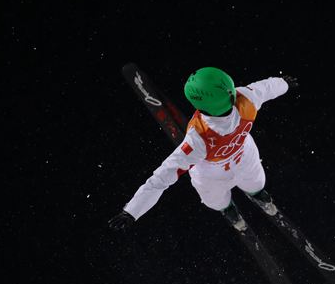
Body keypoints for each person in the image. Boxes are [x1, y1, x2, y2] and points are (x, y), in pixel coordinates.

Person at [109, 67, 296, 231]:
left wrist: (131, 212)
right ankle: (229, 209)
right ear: (229, 91)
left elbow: (161, 179)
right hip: (215, 170)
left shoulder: (200, 137)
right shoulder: (244, 100)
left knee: (254, 182)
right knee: (216, 198)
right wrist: (284, 83)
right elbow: (267, 87)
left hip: (241, 156)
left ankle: (257, 195)